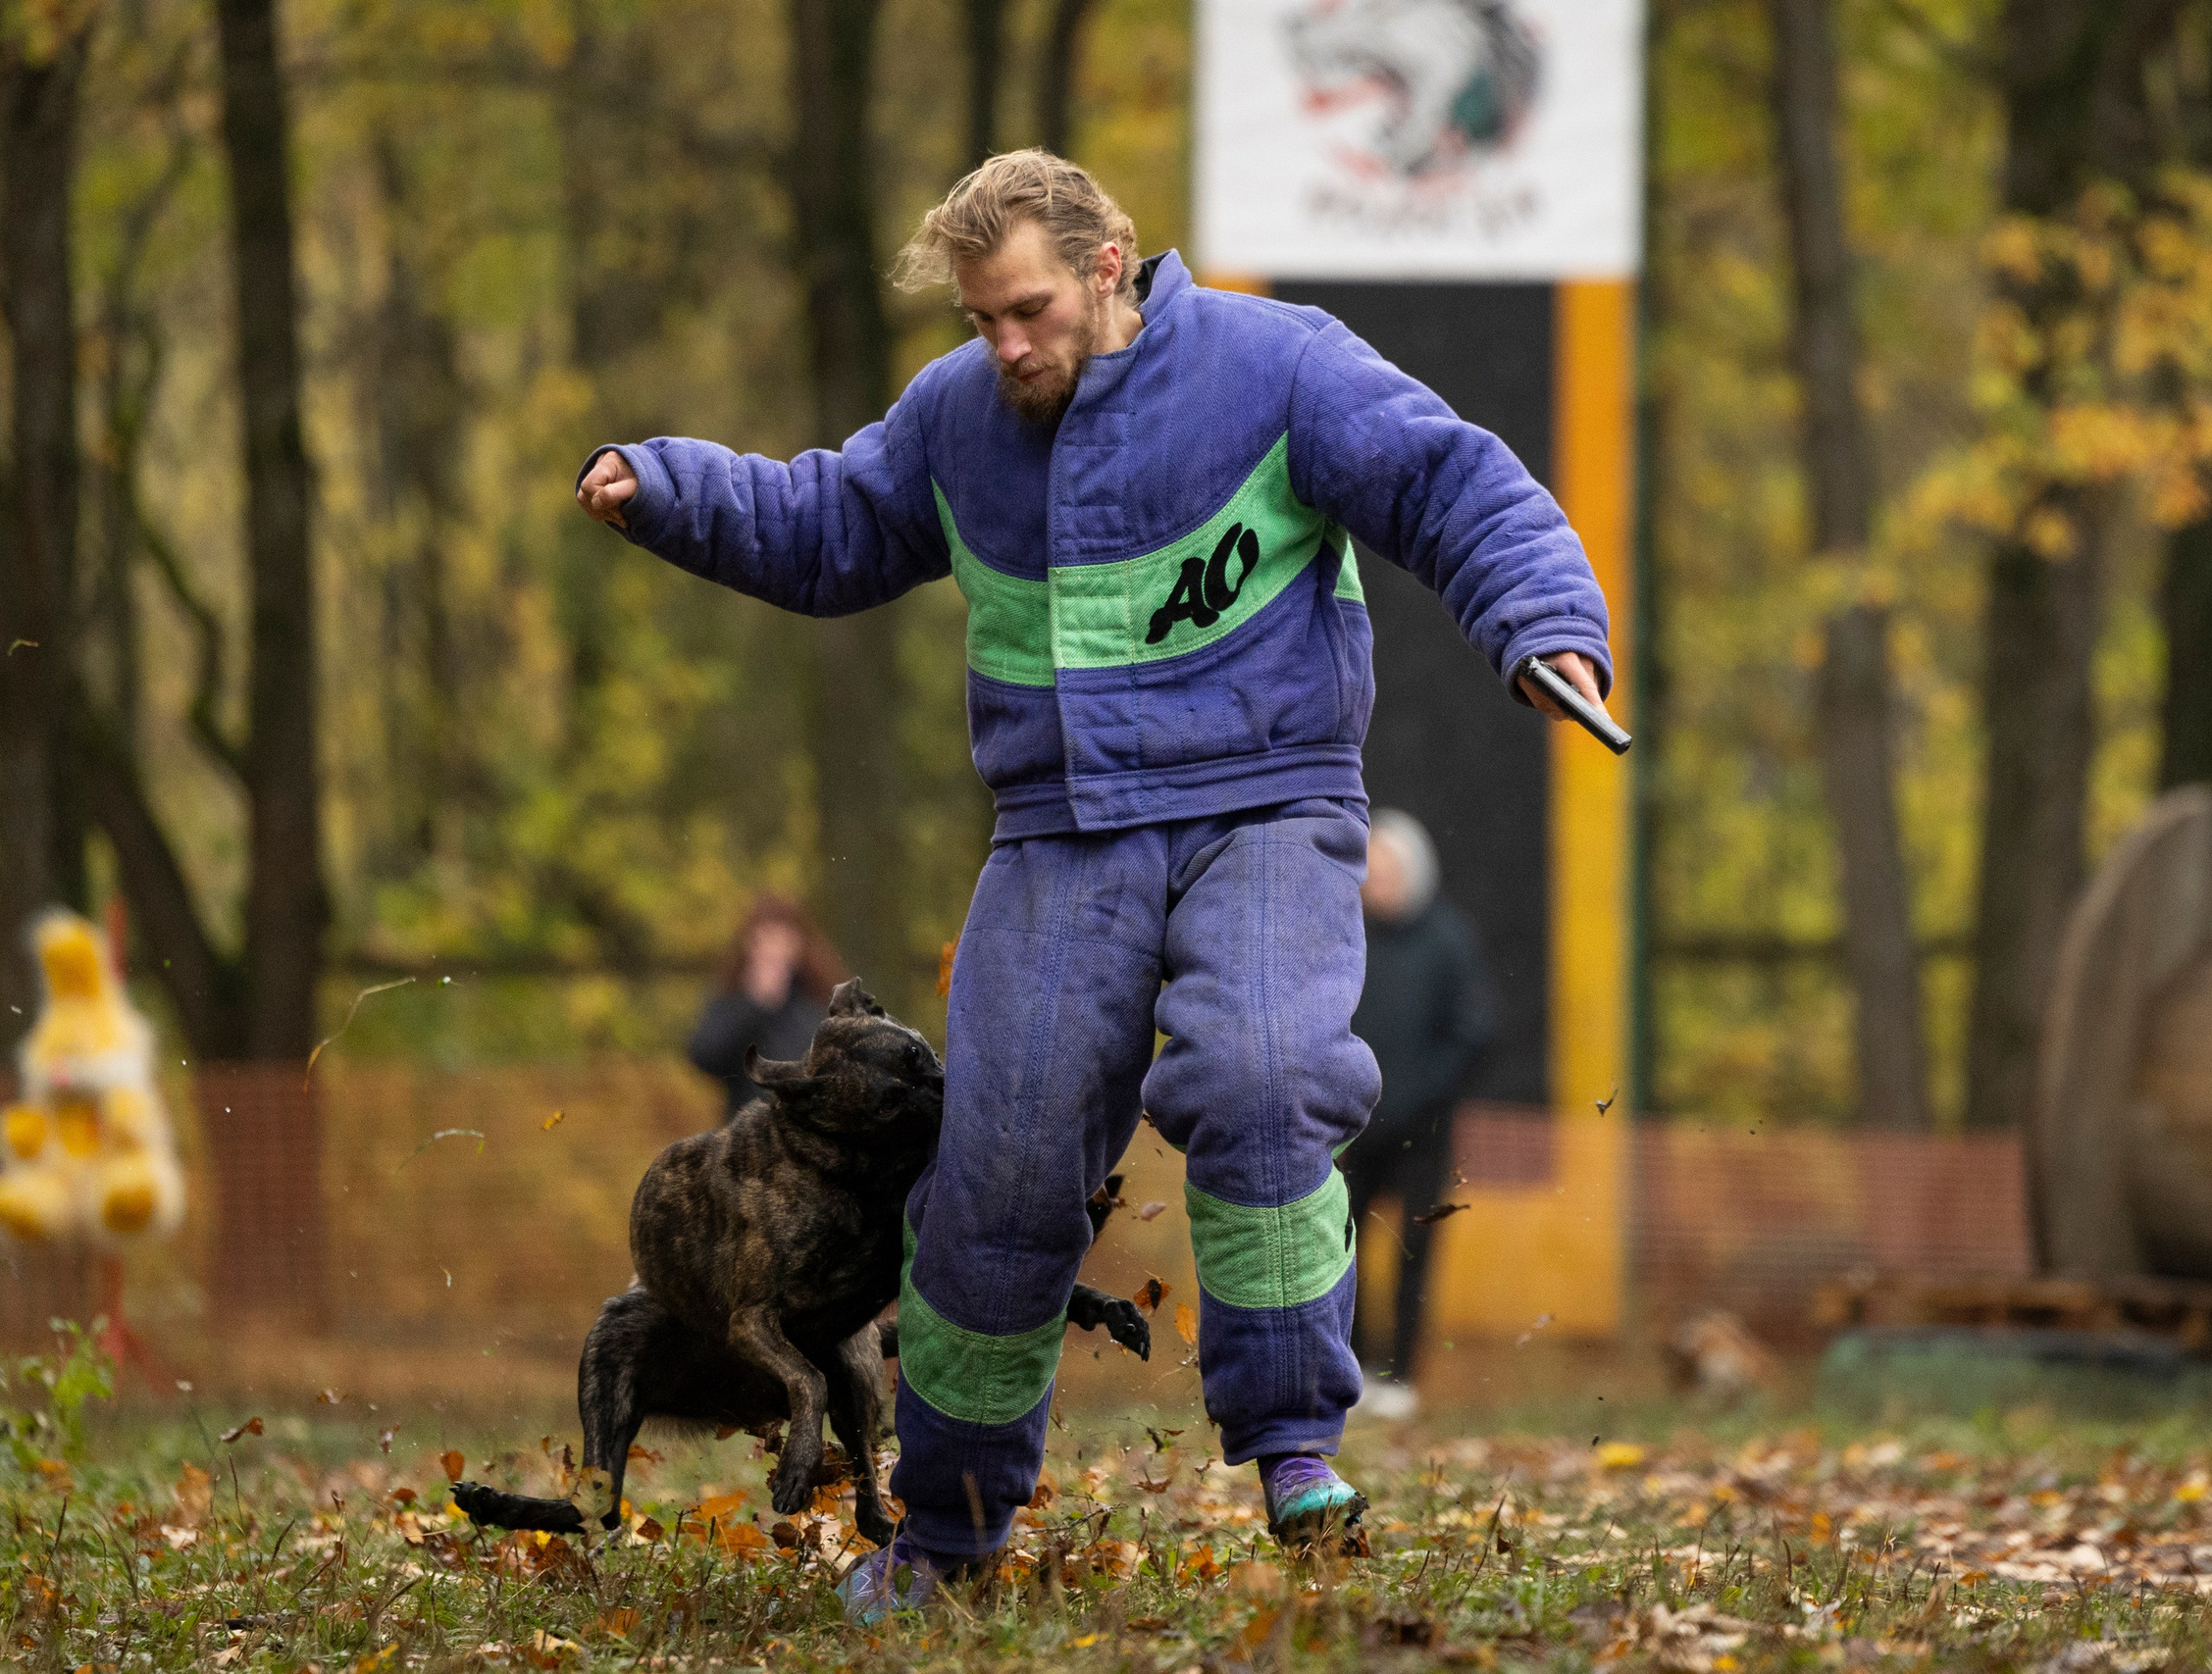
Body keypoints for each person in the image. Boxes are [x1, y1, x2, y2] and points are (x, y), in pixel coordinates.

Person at [574, 149, 1613, 1618]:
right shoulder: (957, 418)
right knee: (992, 1171)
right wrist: (670, 487)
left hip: (1267, 801)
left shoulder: (1275, 366)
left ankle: (1295, 1441)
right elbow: (830, 523)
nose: (1006, 344)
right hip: (1062, 835)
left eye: (1030, 309)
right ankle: (948, 1526)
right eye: (983, 316)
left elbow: (1450, 477)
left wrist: (1541, 616)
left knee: (1265, 1076)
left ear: (1110, 264)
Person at [1342, 810, 1495, 1422]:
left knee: (1413, 1255)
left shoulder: (1449, 939)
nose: (1377, 880)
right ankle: (1350, 1369)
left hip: (1423, 1133)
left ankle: (1400, 1376)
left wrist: (1420, 1094)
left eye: (1389, 868)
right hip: (1351, 1129)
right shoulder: (1345, 934)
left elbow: (1473, 1032)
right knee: (1337, 1248)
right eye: (1369, 868)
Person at [687, 896, 847, 1117]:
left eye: (780, 939)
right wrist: (755, 1006)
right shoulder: (732, 997)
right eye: (763, 940)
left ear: (799, 944)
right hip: (749, 1134)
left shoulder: (823, 1000)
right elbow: (705, 1058)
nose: (772, 951)